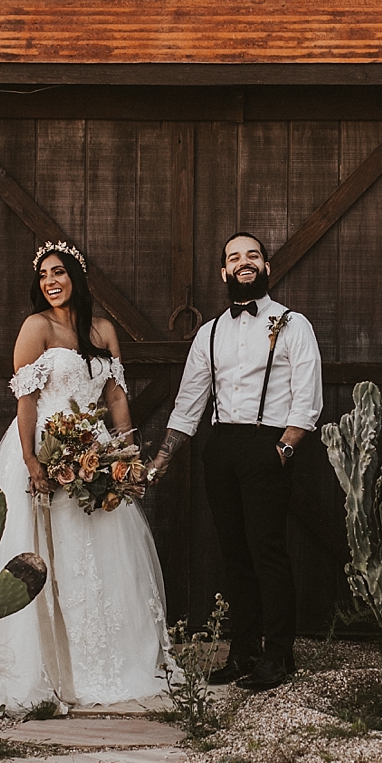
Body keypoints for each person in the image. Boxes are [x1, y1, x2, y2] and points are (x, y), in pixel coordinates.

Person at [0, 240, 172, 712]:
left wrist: (127, 451)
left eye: (59, 272)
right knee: (45, 547)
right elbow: (27, 401)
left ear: (76, 276)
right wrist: (33, 462)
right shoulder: (36, 327)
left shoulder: (102, 329)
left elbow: (115, 396)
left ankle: (106, 658)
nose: (51, 282)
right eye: (43, 276)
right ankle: (43, 660)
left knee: (98, 547)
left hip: (93, 450)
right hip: (43, 446)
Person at [148, 232, 323, 691]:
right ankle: (241, 653)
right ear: (224, 273)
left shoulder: (292, 324)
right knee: (234, 554)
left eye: (253, 255)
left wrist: (283, 450)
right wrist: (159, 463)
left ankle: (279, 655)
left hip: (269, 446)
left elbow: (307, 397)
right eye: (234, 257)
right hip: (221, 447)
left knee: (267, 550)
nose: (244, 262)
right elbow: (189, 405)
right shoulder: (209, 334)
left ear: (265, 267)